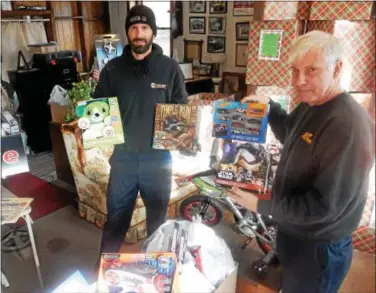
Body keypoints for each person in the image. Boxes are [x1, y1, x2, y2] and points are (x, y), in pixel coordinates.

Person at [228, 30, 375, 293]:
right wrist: (270, 108)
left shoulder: (347, 125)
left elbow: (325, 207)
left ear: (337, 68)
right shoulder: (311, 102)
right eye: (295, 71)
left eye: (311, 70)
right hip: (296, 235)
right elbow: (292, 134)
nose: (300, 81)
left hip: (319, 246)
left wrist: (264, 205)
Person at [93, 4, 187, 255]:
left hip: (158, 159)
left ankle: (159, 269)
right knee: (116, 220)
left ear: (153, 33)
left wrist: (183, 138)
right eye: (134, 27)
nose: (139, 32)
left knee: (158, 222)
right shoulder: (111, 69)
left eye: (145, 27)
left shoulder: (170, 68)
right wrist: (94, 127)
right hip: (122, 159)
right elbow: (98, 109)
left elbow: (181, 110)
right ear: (128, 33)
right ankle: (105, 267)